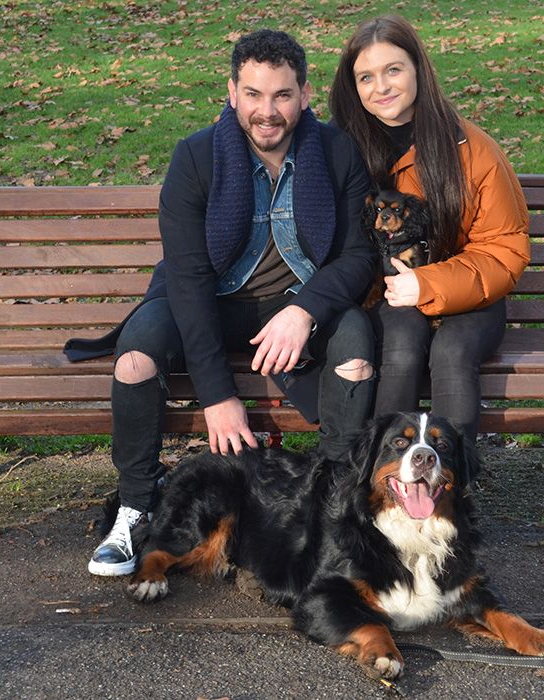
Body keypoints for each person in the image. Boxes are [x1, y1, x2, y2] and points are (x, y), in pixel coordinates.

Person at [64, 30, 377, 576]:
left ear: (305, 95)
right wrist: (218, 396)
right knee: (136, 358)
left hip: (293, 307)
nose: (267, 111)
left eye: (282, 95)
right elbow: (185, 280)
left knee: (354, 343)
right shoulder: (195, 157)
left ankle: (332, 502)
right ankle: (137, 506)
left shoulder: (336, 151)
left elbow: (357, 257)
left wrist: (304, 311)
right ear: (232, 92)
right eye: (253, 94)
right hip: (207, 302)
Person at [330, 15, 530, 455]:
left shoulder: (471, 149)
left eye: (393, 70)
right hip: (384, 295)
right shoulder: (343, 149)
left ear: (419, 68)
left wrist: (428, 283)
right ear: (353, 86)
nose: (381, 86)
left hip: (470, 297)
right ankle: (385, 484)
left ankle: (452, 490)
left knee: (452, 352)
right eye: (366, 76)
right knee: (401, 345)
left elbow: (503, 248)